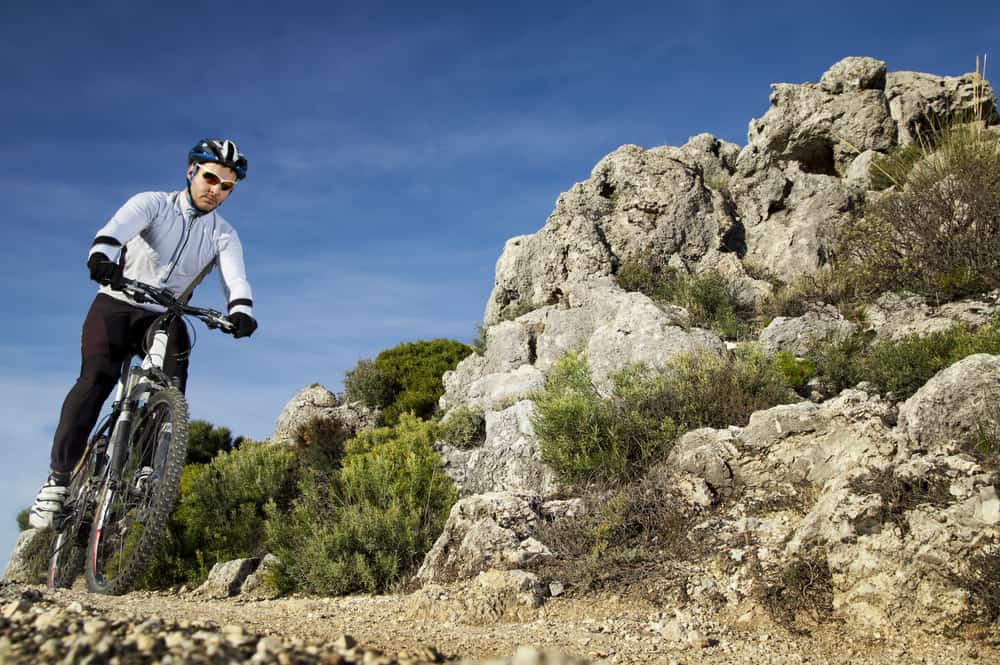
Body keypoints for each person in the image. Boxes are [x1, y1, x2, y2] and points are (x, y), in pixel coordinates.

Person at [29, 138, 258, 529]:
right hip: (116, 304)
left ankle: (148, 475)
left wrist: (241, 311)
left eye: (227, 187)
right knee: (96, 378)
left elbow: (235, 278)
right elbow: (113, 232)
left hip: (164, 316)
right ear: (191, 171)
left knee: (169, 383)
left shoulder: (223, 234)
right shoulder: (151, 204)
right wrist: (101, 256)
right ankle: (59, 480)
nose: (216, 191)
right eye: (210, 179)